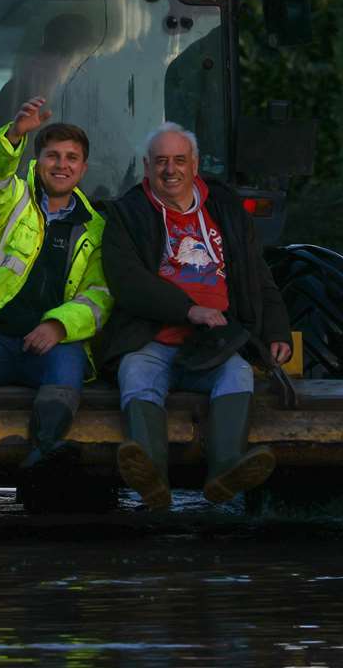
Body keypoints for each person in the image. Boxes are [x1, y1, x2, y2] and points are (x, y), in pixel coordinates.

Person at [95, 122, 293, 510]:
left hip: (215, 343)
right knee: (135, 372)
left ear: (196, 164)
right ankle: (151, 475)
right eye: (162, 162)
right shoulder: (126, 213)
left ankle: (225, 470)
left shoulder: (226, 209)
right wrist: (188, 310)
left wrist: (277, 330)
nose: (171, 170)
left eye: (180, 160)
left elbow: (258, 274)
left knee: (237, 373)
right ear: (146, 166)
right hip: (150, 338)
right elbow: (127, 281)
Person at [0, 96, 113, 484]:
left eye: (71, 158)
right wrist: (12, 135)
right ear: (38, 159)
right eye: (52, 155)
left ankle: (45, 450)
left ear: (83, 167)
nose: (61, 165)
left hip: (46, 346)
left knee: (71, 361)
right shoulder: (9, 201)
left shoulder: (96, 230)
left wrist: (59, 326)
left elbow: (97, 296)